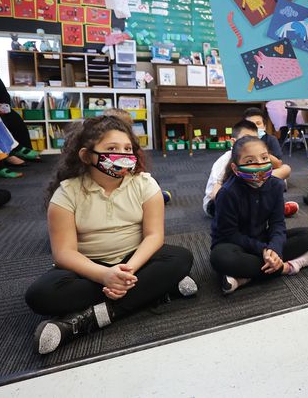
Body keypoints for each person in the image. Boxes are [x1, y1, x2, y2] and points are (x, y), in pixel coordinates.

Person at [25, 115, 196, 355]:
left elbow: (154, 236)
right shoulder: (67, 193)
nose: (123, 155)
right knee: (40, 295)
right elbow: (64, 253)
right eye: (112, 149)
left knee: (181, 258)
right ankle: (156, 290)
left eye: (128, 148)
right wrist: (105, 275)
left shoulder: (145, 184)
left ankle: (86, 320)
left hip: (135, 261)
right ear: (86, 156)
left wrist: (128, 271)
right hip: (90, 269)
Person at [210, 136, 308, 294]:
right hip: (234, 244)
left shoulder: (275, 185)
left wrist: (274, 249)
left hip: (263, 240)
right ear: (235, 168)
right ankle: (285, 267)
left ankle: (245, 277)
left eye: (264, 158)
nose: (259, 165)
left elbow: (278, 224)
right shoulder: (227, 192)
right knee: (220, 259)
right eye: (249, 161)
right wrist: (264, 250)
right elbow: (229, 234)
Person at [203, 119, 298, 217]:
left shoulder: (256, 153)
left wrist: (263, 155)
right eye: (246, 139)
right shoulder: (225, 160)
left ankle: (266, 209)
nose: (251, 145)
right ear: (233, 142)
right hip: (218, 203)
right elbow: (215, 193)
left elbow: (279, 164)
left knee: (282, 171)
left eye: (255, 140)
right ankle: (271, 209)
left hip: (246, 197)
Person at [0, 43, 39, 175]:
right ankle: (8, 155)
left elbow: (2, 92)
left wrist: (5, 105)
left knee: (14, 117)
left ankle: (20, 150)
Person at [102, 108, 172, 204]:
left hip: (130, 185)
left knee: (152, 183)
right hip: (120, 192)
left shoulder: (133, 148)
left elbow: (138, 172)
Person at [243, 107, 291, 181]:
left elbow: (278, 164)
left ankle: (258, 180)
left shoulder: (271, 139)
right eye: (250, 124)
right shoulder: (241, 141)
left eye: (258, 123)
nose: (255, 127)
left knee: (286, 168)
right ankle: (260, 180)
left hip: (268, 172)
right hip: (248, 172)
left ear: (264, 127)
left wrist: (259, 150)